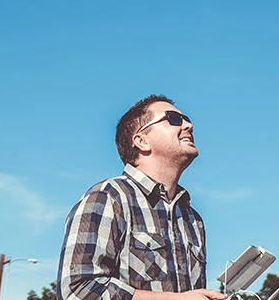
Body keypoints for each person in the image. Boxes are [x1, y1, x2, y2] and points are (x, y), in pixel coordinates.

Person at [57, 95, 225, 300]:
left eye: (186, 119)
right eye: (174, 119)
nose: (189, 125)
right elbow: (77, 289)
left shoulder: (192, 218)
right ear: (141, 141)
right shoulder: (108, 197)